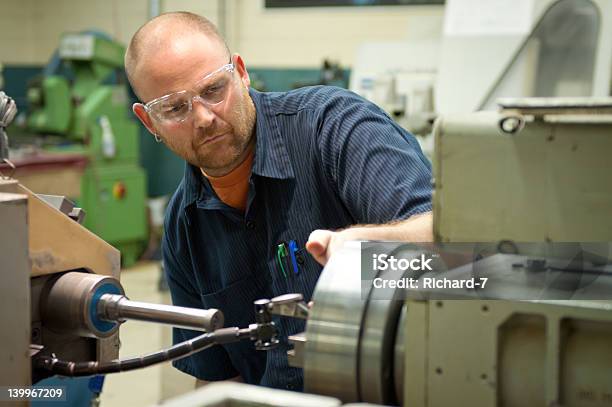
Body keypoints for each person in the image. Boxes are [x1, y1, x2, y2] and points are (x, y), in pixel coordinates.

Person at [125, 11, 433, 391]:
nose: (203, 117)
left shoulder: (335, 128)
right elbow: (217, 379)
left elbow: (449, 241)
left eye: (213, 90)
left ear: (240, 71)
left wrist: (368, 249)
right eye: (175, 108)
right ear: (149, 121)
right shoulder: (183, 228)